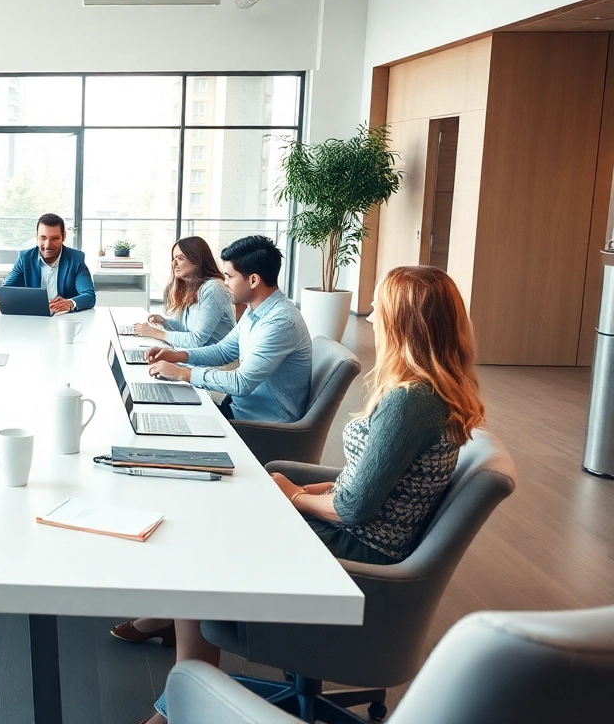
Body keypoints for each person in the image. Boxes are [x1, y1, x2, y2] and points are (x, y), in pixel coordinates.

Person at [131, 265, 487, 724]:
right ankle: (182, 660)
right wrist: (306, 488)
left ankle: (181, 700)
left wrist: (294, 495)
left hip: (359, 551)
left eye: (383, 307)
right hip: (363, 533)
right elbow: (374, 480)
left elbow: (354, 507)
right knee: (211, 517)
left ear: (405, 322)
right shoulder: (429, 392)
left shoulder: (410, 401)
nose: (373, 315)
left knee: (200, 541)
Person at [144, 235, 311, 423]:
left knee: (167, 421)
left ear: (253, 280)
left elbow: (241, 383)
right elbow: (223, 350)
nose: (225, 283)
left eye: (230, 276)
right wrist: (178, 356)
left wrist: (182, 373)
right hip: (236, 408)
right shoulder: (254, 310)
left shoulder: (281, 322)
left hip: (261, 425)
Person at [133, 236, 234, 348]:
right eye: (174, 258)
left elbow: (196, 340)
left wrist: (155, 333)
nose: (174, 264)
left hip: (213, 363)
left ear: (197, 260)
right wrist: (164, 322)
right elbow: (186, 330)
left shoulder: (213, 289)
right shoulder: (192, 286)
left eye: (180, 258)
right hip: (194, 358)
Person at [0, 213, 95, 314]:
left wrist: (70, 303)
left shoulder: (76, 259)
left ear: (64, 236)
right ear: (37, 236)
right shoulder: (25, 258)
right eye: (43, 238)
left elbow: (89, 296)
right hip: (32, 319)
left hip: (65, 319)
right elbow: (7, 289)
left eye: (54, 239)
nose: (48, 245)